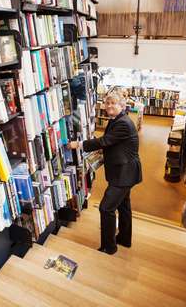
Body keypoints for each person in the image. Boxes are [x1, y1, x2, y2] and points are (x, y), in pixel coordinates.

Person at [68, 91, 142, 255]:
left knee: (106, 208)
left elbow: (104, 141)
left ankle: (109, 247)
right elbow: (111, 141)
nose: (109, 106)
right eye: (107, 103)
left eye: (113, 103)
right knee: (123, 206)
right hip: (123, 171)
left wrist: (78, 144)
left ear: (122, 106)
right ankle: (124, 238)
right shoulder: (116, 120)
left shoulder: (123, 123)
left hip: (124, 174)